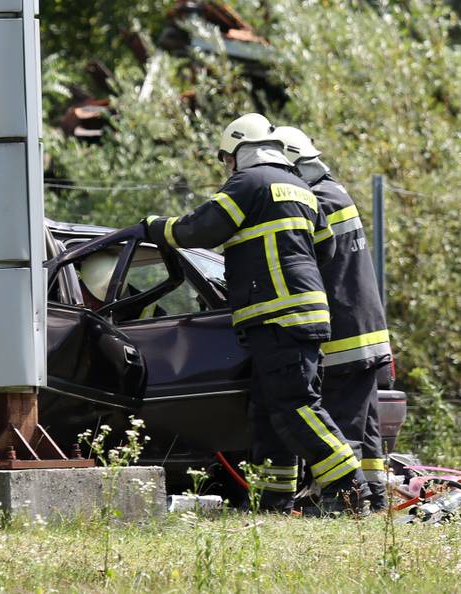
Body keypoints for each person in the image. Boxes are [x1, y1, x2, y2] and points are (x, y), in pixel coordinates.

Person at [144, 113, 369, 514]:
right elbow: (327, 249)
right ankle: (272, 499)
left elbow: (198, 229)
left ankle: (351, 491)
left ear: (235, 152)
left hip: (278, 317)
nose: (226, 166)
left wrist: (153, 227)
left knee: (298, 406)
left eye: (225, 158)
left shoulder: (248, 183)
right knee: (270, 412)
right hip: (300, 315)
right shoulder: (301, 188)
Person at [272, 126, 392, 511]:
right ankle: (372, 497)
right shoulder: (335, 191)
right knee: (365, 426)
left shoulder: (316, 200)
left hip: (343, 335)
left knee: (343, 424)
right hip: (366, 329)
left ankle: (343, 504)